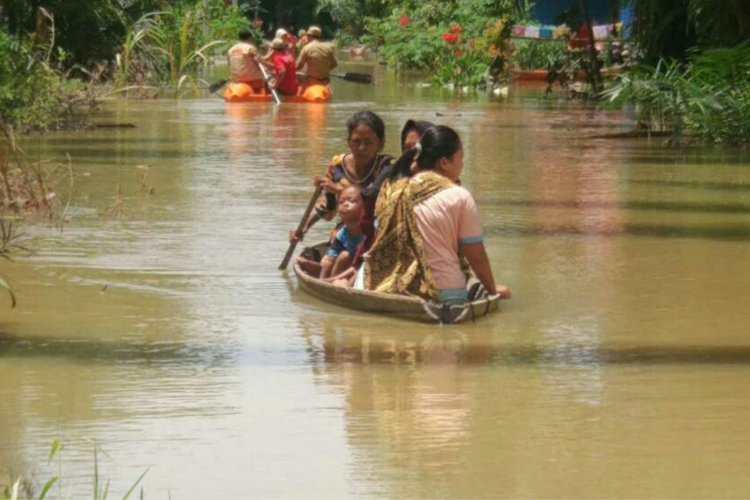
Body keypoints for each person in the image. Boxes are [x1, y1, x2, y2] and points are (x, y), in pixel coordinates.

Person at [364, 125, 511, 304]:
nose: (462, 165)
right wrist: (491, 289)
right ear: (444, 162)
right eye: (461, 159)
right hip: (447, 291)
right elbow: (476, 256)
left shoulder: (394, 191)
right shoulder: (459, 196)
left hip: (394, 290)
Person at [289, 110, 392, 244]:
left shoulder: (387, 167)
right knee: (332, 251)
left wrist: (339, 190)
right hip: (347, 232)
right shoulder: (337, 165)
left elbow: (381, 204)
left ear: (380, 145)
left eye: (368, 142)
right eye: (356, 141)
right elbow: (328, 208)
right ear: (349, 142)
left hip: (376, 234)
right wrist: (304, 228)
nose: (361, 148)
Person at [318, 185, 365, 280]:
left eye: (351, 201)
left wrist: (331, 279)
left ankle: (332, 282)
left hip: (363, 268)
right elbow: (331, 258)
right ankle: (324, 284)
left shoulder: (369, 232)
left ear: (364, 207)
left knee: (345, 256)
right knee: (330, 260)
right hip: (349, 266)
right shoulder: (342, 234)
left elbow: (361, 265)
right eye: (341, 202)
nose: (345, 204)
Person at [296, 25, 337, 91]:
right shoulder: (328, 48)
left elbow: (299, 65)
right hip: (324, 81)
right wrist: (324, 70)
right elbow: (335, 64)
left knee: (299, 88)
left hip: (311, 81)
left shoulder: (307, 48)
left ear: (309, 36)